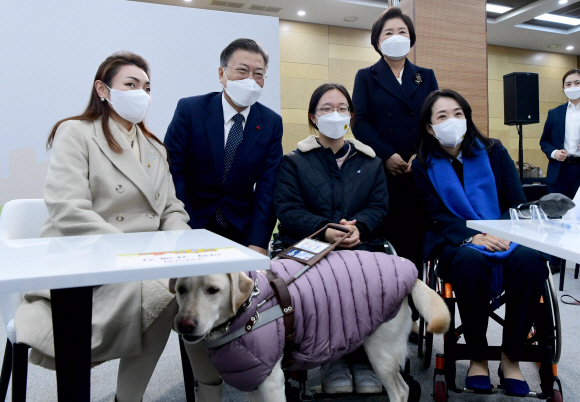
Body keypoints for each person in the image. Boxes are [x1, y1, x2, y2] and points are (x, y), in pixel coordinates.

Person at [14, 52, 191, 402]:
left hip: (145, 265)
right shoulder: (76, 132)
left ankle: (199, 389)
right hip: (85, 266)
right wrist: (131, 254)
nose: (141, 93)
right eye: (131, 84)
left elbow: (172, 208)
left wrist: (181, 250)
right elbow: (68, 210)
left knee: (189, 287)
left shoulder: (155, 147)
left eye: (147, 87)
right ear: (103, 89)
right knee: (166, 295)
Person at [413, 89, 549, 396]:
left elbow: (515, 201)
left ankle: (510, 357)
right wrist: (472, 236)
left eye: (458, 113)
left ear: (467, 117)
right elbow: (435, 214)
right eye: (442, 116)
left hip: (504, 232)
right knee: (469, 262)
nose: (453, 121)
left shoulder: (493, 150)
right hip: (455, 238)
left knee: (530, 260)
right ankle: (477, 356)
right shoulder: (424, 164)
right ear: (430, 127)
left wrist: (500, 232)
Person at [274, 83, 389, 394]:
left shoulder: (371, 162)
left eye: (341, 108)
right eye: (326, 108)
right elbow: (287, 209)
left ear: (351, 115)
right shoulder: (294, 161)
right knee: (323, 282)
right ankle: (331, 358)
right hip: (310, 244)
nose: (334, 114)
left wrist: (360, 228)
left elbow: (379, 206)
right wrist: (324, 228)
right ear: (313, 117)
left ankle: (363, 357)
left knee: (370, 279)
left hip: (360, 243)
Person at [352, 7, 438, 339]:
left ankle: (414, 317)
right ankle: (385, 314)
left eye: (402, 31)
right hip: (382, 173)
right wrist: (388, 155)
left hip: (417, 172)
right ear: (376, 41)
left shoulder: (425, 75)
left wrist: (420, 154)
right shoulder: (366, 76)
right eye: (388, 32)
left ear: (411, 39)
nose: (396, 37)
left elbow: (435, 118)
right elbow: (360, 122)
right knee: (385, 246)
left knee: (414, 245)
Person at [164, 38, 283, 258]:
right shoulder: (190, 110)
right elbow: (172, 171)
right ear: (222, 74)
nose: (251, 80)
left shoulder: (271, 123)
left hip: (241, 230)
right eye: (242, 71)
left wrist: (258, 243)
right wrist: (182, 226)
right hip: (189, 224)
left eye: (258, 74)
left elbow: (268, 188)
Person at [540, 69, 580, 272]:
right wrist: (555, 153)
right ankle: (554, 261)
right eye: (568, 84)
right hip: (560, 169)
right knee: (555, 215)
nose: (573, 87)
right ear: (563, 88)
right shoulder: (555, 113)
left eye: (576, 83)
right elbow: (544, 141)